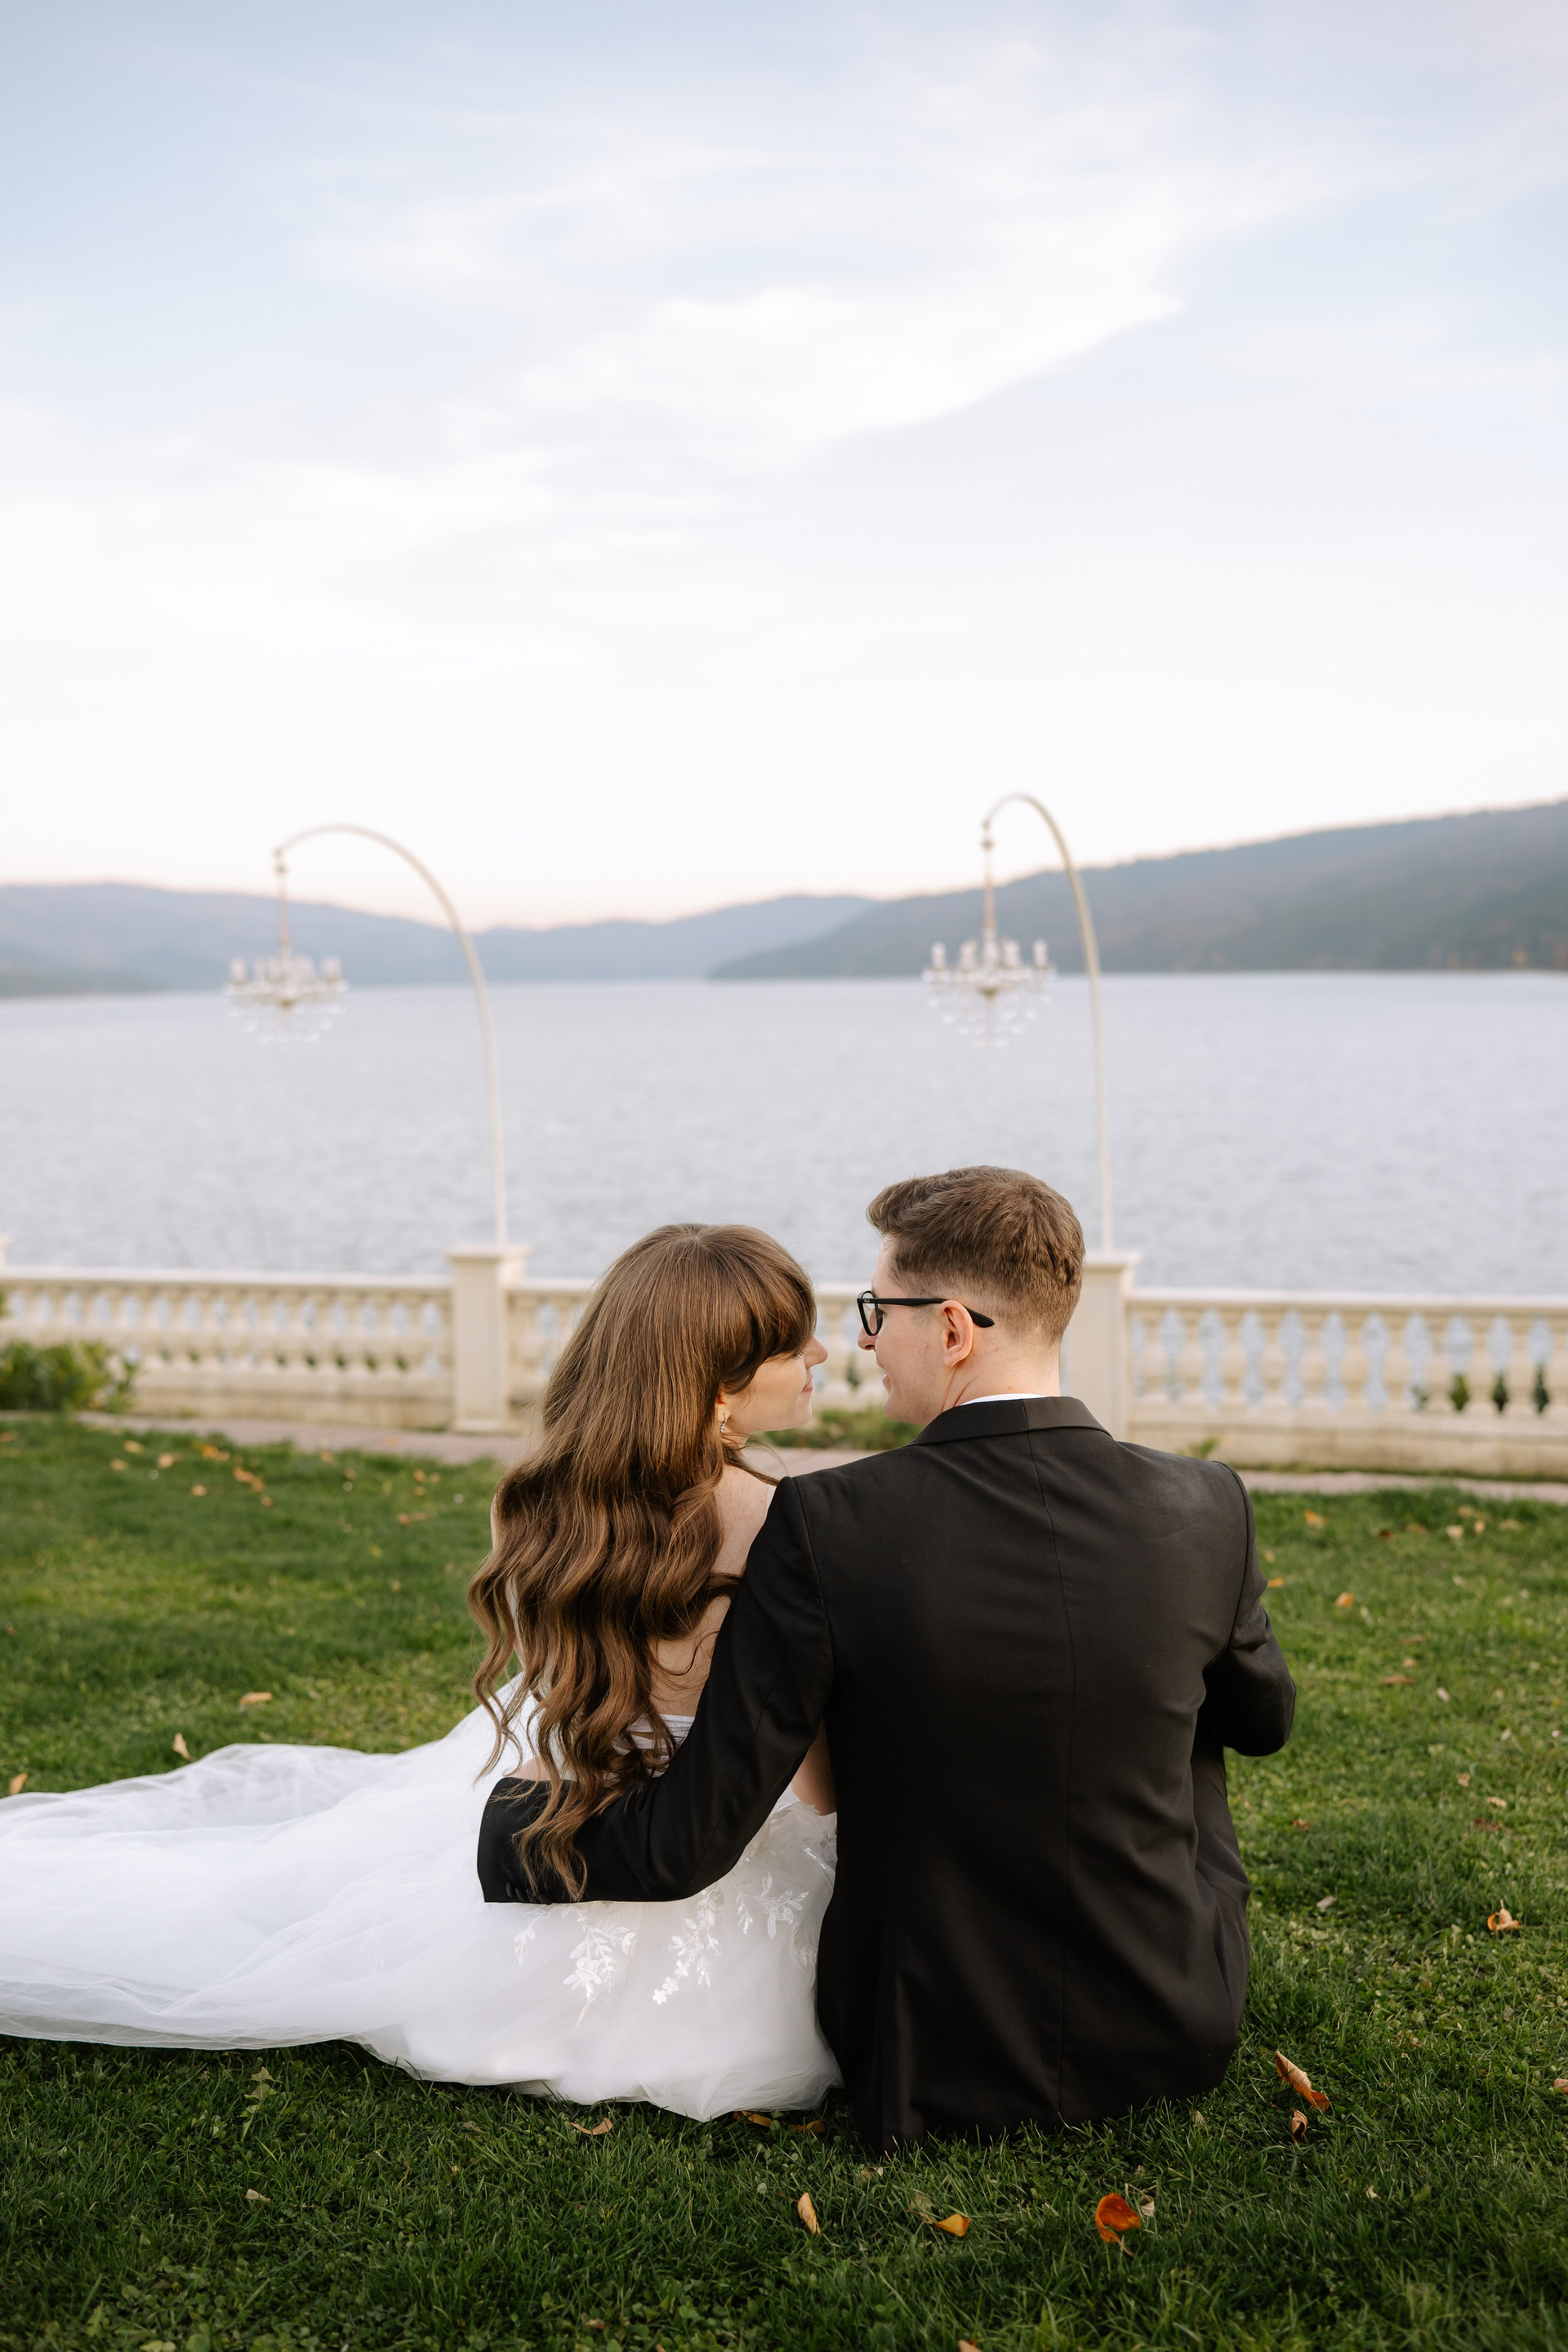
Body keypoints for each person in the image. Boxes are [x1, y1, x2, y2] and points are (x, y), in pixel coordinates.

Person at [482, 1166, 1297, 2151]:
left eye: (878, 1311)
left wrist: (505, 1835)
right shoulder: (1206, 1502)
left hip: (927, 2054)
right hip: (1181, 2022)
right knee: (1189, 1707)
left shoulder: (829, 1524)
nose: (863, 1339)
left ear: (951, 1331)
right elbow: (1264, 1722)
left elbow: (687, 1843)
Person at [0, 1224, 841, 2119]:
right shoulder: (789, 1531)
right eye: (794, 1344)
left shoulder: (544, 1508)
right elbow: (820, 1790)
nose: (822, 1355)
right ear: (718, 1390)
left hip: (571, 1797)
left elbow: (556, 1696)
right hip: (715, 1828)